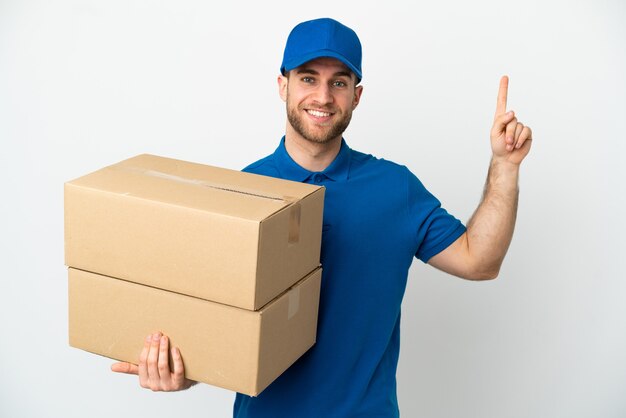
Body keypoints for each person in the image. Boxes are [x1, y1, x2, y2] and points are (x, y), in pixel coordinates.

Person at [111, 17, 532, 417]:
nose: (323, 96)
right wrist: (177, 372)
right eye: (308, 78)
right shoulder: (241, 192)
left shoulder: (395, 189)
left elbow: (481, 261)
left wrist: (505, 166)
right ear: (283, 86)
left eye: (339, 82)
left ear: (357, 96)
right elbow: (216, 328)